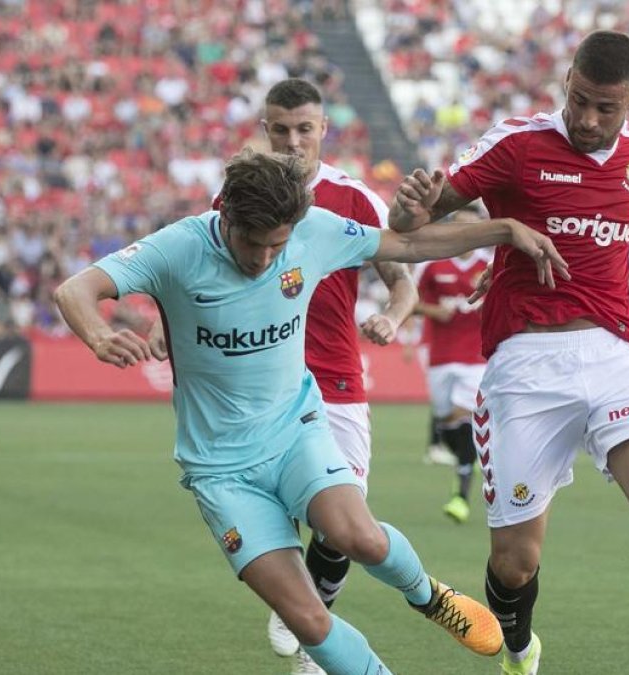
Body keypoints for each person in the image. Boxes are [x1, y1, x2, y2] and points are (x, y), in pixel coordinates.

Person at [54, 149, 569, 674]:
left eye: (277, 245)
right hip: (220, 470)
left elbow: (409, 244)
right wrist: (98, 335)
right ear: (226, 216)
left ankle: (428, 596)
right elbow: (76, 289)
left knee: (358, 538)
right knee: (307, 620)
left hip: (295, 430)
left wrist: (503, 230)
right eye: (252, 244)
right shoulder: (180, 246)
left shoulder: (314, 231)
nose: (262, 259)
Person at [389, 31, 629, 675]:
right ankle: (518, 647)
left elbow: (589, 242)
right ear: (566, 79)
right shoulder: (516, 144)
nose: (589, 120)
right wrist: (424, 214)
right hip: (526, 364)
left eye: (606, 108)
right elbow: (412, 229)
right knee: (515, 563)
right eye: (580, 101)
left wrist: (515, 253)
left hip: (619, 351)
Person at [204, 77, 419, 673]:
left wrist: (392, 315)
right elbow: (202, 273)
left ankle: (306, 629)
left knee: (341, 524)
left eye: (305, 129)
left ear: (324, 129)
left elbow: (402, 276)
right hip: (261, 383)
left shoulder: (352, 198)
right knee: (283, 513)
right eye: (281, 129)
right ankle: (310, 631)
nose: (293, 140)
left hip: (337, 380)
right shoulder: (237, 199)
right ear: (265, 130)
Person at [413, 207, 490, 524]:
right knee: (447, 423)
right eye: (458, 227)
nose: (464, 234)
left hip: (476, 358)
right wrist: (433, 311)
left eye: (470, 228)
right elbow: (410, 301)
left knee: (464, 415)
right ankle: (466, 459)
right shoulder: (433, 266)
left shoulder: (489, 266)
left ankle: (461, 494)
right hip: (441, 358)